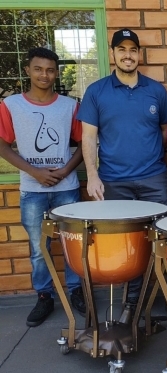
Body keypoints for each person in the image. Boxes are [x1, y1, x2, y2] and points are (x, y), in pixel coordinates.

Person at [77, 29, 167, 312]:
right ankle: (133, 299)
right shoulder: (97, 91)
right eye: (122, 49)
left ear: (139, 54)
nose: (128, 55)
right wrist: (92, 175)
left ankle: (161, 295)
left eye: (133, 49)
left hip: (154, 178)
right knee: (127, 244)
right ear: (113, 54)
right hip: (114, 182)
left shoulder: (155, 91)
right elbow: (89, 138)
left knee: (159, 236)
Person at [0, 47, 86, 326]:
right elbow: (2, 145)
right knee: (39, 248)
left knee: (72, 242)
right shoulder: (12, 105)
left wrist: (64, 171)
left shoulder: (70, 105)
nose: (44, 75)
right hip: (32, 189)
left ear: (57, 72)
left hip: (67, 187)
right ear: (28, 70)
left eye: (50, 69)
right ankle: (44, 297)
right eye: (38, 69)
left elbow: (84, 144)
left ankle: (75, 291)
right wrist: (34, 172)